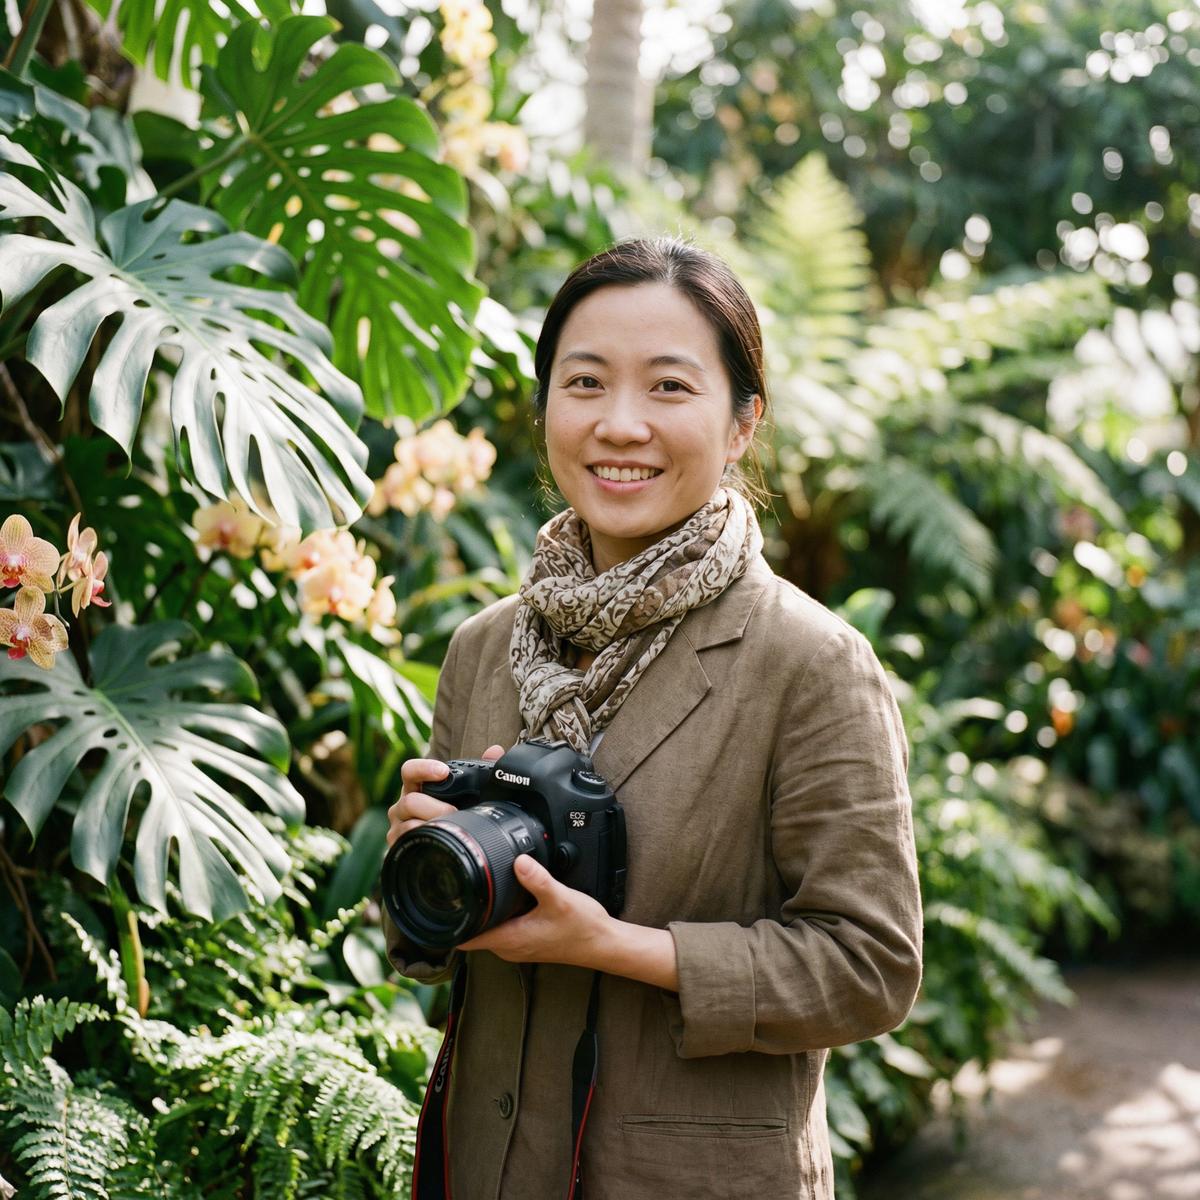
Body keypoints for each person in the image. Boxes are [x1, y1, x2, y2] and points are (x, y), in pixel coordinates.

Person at [384, 236, 922, 1200]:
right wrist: (430, 873)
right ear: (545, 403)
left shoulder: (809, 662)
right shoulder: (485, 646)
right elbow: (443, 954)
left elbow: (871, 965)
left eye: (669, 388)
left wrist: (620, 949)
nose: (619, 424)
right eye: (584, 383)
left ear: (742, 423)